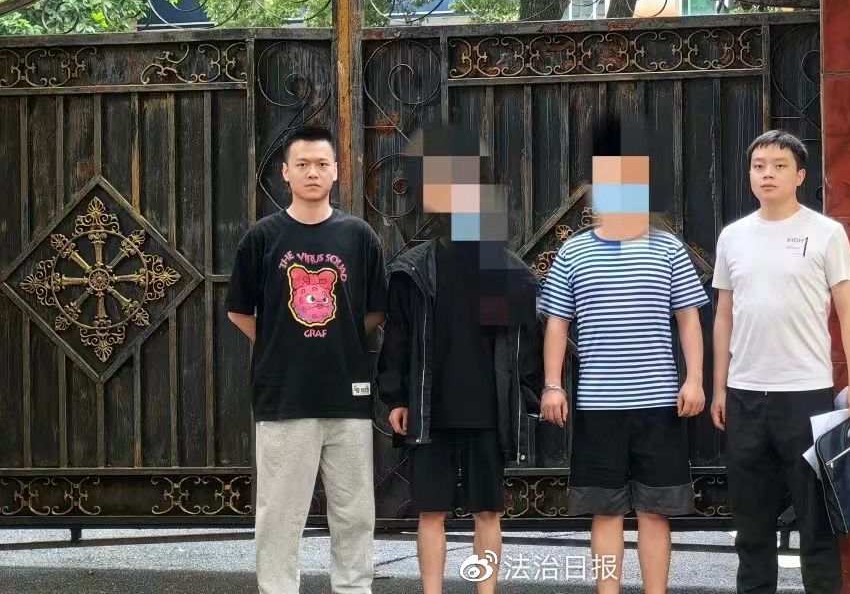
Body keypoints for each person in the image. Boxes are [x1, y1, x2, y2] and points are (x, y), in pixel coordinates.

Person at [539, 115, 710, 594]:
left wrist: (694, 379)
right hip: (598, 404)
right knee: (605, 511)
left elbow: (689, 319)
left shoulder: (669, 249)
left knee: (656, 511)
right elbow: (556, 324)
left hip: (659, 403)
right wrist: (552, 386)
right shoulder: (573, 253)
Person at [377, 125, 541, 594]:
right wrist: (396, 397)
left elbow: (524, 344)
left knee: (488, 511)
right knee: (430, 512)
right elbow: (398, 339)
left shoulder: (506, 271)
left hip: (487, 413)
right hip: (431, 409)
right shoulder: (413, 269)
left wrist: (526, 398)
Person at [225, 124, 387, 594]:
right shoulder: (262, 238)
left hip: (348, 395)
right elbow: (239, 310)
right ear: (285, 173)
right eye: (302, 164)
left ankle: (354, 587)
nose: (312, 172)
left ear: (336, 171)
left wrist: (340, 338)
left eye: (321, 164)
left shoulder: (359, 236)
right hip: (284, 396)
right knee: (279, 514)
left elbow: (376, 310)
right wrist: (278, 342)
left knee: (355, 512)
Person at [709, 129, 850, 594]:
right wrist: (720, 388)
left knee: (815, 518)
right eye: (759, 166)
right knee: (751, 521)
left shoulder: (826, 233)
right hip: (745, 394)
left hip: (806, 394)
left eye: (779, 166)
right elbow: (724, 316)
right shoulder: (733, 237)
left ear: (800, 175)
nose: (767, 174)